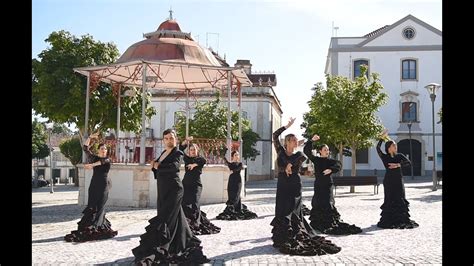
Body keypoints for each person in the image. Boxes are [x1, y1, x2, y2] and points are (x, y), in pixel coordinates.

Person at [132, 129, 209, 265]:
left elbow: (173, 167)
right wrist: (154, 166)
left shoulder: (177, 152)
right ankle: (183, 242)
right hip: (163, 189)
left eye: (171, 138)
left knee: (166, 218)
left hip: (174, 189)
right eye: (166, 138)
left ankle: (166, 246)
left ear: (176, 139)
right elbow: (159, 169)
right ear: (163, 140)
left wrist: (158, 165)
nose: (169, 140)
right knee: (175, 217)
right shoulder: (163, 153)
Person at [270, 118, 341, 255]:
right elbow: (274, 136)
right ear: (287, 141)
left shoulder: (299, 154)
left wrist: (289, 166)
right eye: (293, 140)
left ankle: (294, 233)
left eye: (296, 140)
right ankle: (282, 236)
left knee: (293, 208)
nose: (296, 142)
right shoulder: (280, 151)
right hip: (283, 184)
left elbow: (296, 161)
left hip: (294, 184)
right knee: (282, 208)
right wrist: (286, 126)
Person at [304, 134, 362, 235]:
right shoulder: (316, 160)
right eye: (325, 149)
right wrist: (311, 140)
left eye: (328, 150)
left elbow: (338, 165)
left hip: (327, 185)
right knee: (318, 202)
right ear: (320, 151)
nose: (327, 151)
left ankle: (328, 222)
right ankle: (317, 223)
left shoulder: (331, 161)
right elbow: (306, 151)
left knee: (328, 202)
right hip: (318, 185)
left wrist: (331, 169)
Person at [64, 132, 117, 242]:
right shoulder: (94, 158)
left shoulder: (107, 160)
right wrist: (90, 137)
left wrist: (91, 165)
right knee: (91, 206)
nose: (104, 150)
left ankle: (98, 227)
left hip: (104, 186)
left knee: (100, 206)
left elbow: (102, 162)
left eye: (105, 149)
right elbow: (85, 148)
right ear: (98, 150)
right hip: (93, 186)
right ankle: (89, 226)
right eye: (102, 149)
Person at [376, 129, 419, 229]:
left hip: (398, 180)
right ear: (389, 148)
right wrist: (381, 138)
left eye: (395, 145)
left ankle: (401, 219)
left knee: (400, 198)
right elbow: (378, 148)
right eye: (393, 145)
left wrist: (398, 165)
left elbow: (409, 163)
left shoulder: (400, 156)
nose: (395, 147)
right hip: (388, 181)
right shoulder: (385, 157)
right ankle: (389, 219)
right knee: (389, 198)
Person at [179, 136, 221, 235]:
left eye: (194, 150)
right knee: (184, 203)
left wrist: (194, 165)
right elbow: (180, 148)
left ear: (197, 151)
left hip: (196, 185)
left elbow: (203, 161)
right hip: (186, 184)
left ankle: (196, 223)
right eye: (191, 150)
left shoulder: (199, 159)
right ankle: (187, 224)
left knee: (195, 202)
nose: (193, 151)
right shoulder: (187, 159)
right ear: (189, 151)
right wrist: (186, 141)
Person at [215, 149, 258, 220]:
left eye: (238, 155)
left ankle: (237, 209)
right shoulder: (231, 164)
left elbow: (238, 168)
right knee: (231, 195)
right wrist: (222, 155)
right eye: (235, 155)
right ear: (232, 156)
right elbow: (227, 163)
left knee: (236, 195)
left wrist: (233, 171)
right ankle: (231, 208)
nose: (237, 156)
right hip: (231, 181)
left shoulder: (240, 163)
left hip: (238, 181)